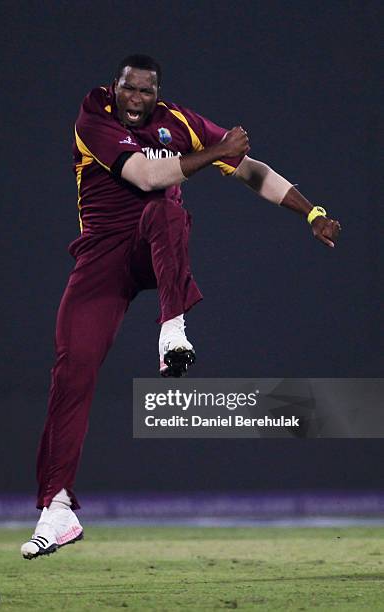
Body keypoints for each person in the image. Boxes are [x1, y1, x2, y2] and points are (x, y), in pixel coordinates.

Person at [21, 54, 341, 559]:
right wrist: (215, 151)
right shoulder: (93, 115)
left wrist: (312, 212)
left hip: (154, 249)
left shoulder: (180, 123)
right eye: (128, 89)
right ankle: (56, 508)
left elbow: (251, 170)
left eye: (145, 92)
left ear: (157, 95)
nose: (135, 100)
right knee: (72, 373)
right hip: (102, 260)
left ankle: (172, 327)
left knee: (166, 209)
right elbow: (145, 174)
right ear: (114, 87)